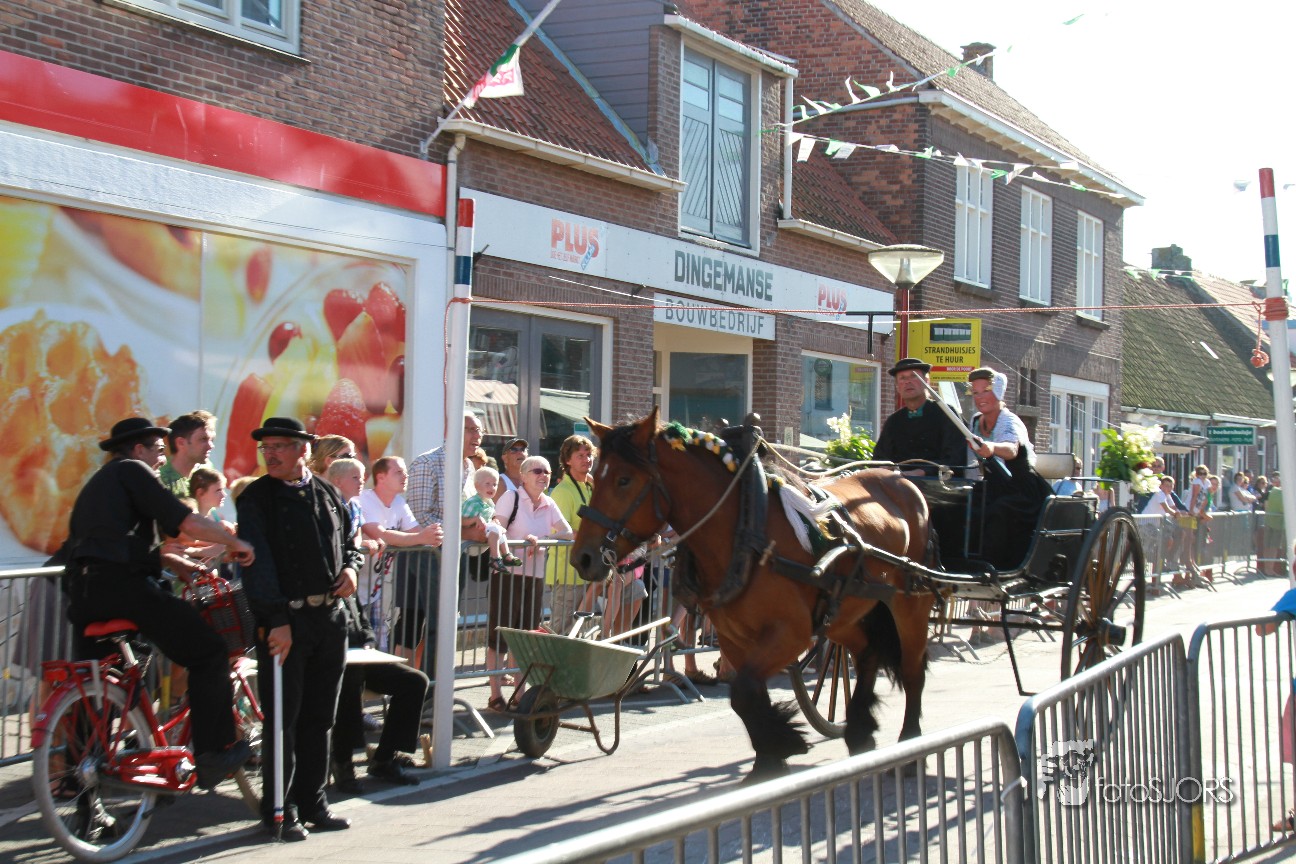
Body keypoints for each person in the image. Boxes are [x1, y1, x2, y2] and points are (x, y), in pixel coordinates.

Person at [63, 417, 256, 792]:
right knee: (209, 651)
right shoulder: (134, 471)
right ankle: (213, 753)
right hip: (123, 588)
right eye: (157, 449)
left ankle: (81, 784)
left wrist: (171, 560)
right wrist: (234, 542)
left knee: (97, 687)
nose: (160, 458)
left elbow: (113, 543)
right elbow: (185, 522)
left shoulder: (101, 483)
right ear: (138, 449)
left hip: (84, 591)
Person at [236, 417, 362, 841]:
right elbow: (257, 566)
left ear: (303, 450)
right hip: (285, 621)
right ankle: (280, 809)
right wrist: (275, 620)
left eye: (278, 446)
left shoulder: (327, 491)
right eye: (266, 447)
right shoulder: (257, 498)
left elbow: (351, 540)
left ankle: (314, 802)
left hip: (330, 617)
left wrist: (352, 568)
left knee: (320, 716)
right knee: (283, 720)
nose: (269, 454)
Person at [322, 461, 428, 793]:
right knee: (349, 680)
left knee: (415, 681)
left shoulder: (349, 568)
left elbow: (358, 614)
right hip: (331, 654)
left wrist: (367, 641)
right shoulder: (330, 568)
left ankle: (386, 757)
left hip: (359, 647)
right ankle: (343, 764)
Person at [487, 455, 573, 711]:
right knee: (499, 636)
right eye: (537, 471)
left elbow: (567, 532)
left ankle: (520, 694)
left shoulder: (549, 502)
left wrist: (541, 538)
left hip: (534, 576)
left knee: (524, 637)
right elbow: (497, 527)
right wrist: (525, 540)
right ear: (523, 476)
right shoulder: (510, 497)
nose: (543, 475)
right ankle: (495, 695)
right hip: (507, 574)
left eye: (547, 471)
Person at [965, 367, 1052, 571]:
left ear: (997, 392)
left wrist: (992, 448)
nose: (980, 397)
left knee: (999, 510)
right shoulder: (975, 421)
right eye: (975, 392)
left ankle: (993, 567)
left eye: (985, 391)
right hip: (992, 486)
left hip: (1021, 489)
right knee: (963, 504)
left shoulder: (1010, 421)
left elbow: (1012, 449)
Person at [360, 457, 444, 665]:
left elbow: (416, 532)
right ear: (381, 477)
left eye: (405, 472)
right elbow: (380, 534)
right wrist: (422, 537)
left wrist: (431, 535)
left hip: (376, 589)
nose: (405, 476)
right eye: (399, 472)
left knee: (378, 644)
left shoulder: (399, 502)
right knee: (357, 643)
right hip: (354, 588)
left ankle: (379, 682)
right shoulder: (365, 500)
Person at [872, 358, 968, 477]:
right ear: (897, 386)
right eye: (902, 378)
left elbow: (956, 459)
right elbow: (879, 458)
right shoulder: (893, 421)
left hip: (940, 485)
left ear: (926, 381)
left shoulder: (947, 414)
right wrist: (884, 467)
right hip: (898, 484)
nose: (908, 382)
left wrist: (922, 472)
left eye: (914, 376)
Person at [545, 434, 598, 636]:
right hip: (567, 574)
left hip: (586, 572)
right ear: (567, 460)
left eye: (589, 454)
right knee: (561, 632)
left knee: (580, 633)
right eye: (580, 456)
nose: (587, 459)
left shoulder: (589, 487)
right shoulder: (563, 491)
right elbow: (561, 532)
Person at [463, 466, 523, 572]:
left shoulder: (489, 502)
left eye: (495, 484)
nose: (492, 488)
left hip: (482, 539)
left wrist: (494, 520)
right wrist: (475, 519)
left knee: (500, 529)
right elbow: (460, 521)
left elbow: (492, 517)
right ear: (477, 486)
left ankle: (507, 555)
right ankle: (495, 558)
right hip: (468, 542)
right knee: (495, 529)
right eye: (487, 484)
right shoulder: (472, 502)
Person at [158, 410, 217, 498]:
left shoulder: (207, 470)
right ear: (181, 442)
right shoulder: (160, 479)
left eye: (211, 440)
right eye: (203, 439)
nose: (211, 446)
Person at [494, 437, 529, 502]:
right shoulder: (499, 483)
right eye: (514, 450)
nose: (520, 452)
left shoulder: (532, 481)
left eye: (523, 449)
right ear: (505, 458)